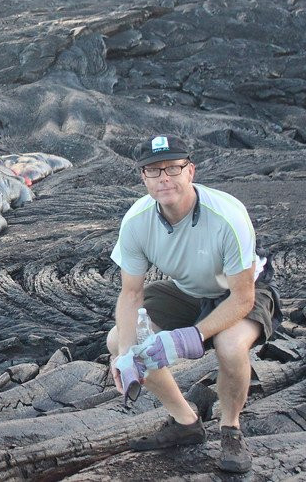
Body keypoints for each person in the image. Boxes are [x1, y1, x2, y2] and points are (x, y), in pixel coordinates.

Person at [106, 135, 279, 474]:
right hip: (188, 291)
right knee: (119, 341)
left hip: (241, 290)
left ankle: (230, 428)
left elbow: (242, 296)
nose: (164, 178)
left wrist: (187, 338)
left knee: (229, 347)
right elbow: (130, 294)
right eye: (153, 171)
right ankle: (186, 422)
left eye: (173, 167)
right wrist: (127, 354)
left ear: (190, 171)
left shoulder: (227, 216)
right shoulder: (136, 222)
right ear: (143, 178)